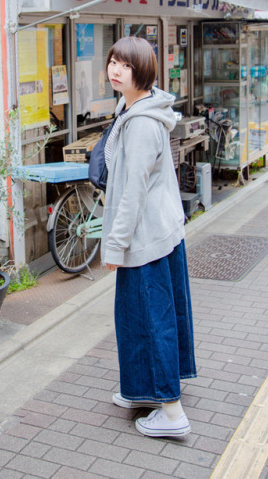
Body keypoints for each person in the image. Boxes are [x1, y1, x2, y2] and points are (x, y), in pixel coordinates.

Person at [102, 36, 197, 438]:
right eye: (113, 61)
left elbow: (133, 190)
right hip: (161, 232)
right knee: (146, 316)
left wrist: (114, 243)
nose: (115, 69)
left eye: (125, 64)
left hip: (144, 239)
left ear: (142, 71)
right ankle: (141, 390)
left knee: (148, 319)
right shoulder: (138, 106)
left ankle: (171, 412)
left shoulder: (140, 121)